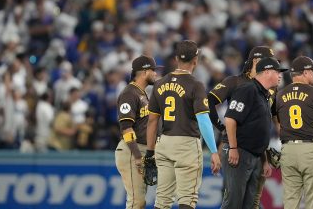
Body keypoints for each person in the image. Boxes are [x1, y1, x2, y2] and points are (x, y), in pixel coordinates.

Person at [146, 40, 221, 209]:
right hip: (186, 144)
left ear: (176, 58)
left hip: (164, 142)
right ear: (196, 60)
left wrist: (150, 152)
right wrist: (214, 151)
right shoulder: (195, 85)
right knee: (187, 199)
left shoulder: (159, 84)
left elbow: (152, 121)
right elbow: (203, 120)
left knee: (162, 199)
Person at [208, 46, 276, 209]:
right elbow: (209, 101)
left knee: (252, 202)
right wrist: (221, 126)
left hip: (257, 151)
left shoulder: (269, 88)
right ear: (257, 61)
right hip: (236, 146)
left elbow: (267, 121)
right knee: (234, 199)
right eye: (270, 63)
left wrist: (265, 157)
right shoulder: (236, 81)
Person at [221, 57, 286, 209]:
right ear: (267, 72)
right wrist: (233, 148)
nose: (280, 75)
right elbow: (230, 120)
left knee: (249, 204)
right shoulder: (247, 89)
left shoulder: (264, 95)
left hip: (254, 155)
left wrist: (263, 160)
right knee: (234, 202)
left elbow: (259, 132)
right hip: (240, 152)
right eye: (278, 72)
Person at [274, 56, 313, 209]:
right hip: (311, 150)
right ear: (306, 72)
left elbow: (276, 120)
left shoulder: (280, 95)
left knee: (290, 200)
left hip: (288, 150)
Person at [115, 55, 161, 209]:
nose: (155, 73)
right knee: (137, 201)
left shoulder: (142, 93)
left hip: (141, 150)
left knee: (138, 201)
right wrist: (137, 156)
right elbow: (126, 128)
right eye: (153, 70)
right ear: (144, 72)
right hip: (131, 151)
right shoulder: (130, 93)